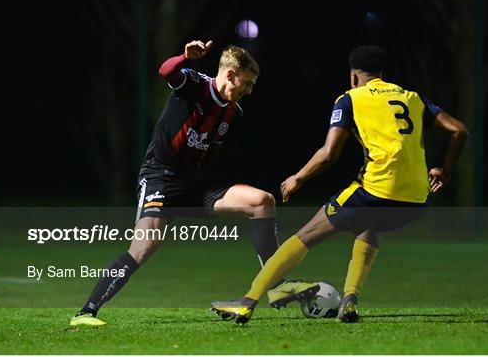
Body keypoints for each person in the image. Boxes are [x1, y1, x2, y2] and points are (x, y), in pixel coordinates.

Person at [211, 45, 468, 324]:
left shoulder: (350, 98)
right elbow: (459, 130)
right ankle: (350, 301)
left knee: (305, 235)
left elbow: (329, 154)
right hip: (417, 198)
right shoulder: (412, 98)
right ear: (381, 73)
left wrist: (299, 177)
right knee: (370, 226)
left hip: (375, 191)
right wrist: (446, 171)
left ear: (354, 76)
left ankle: (247, 302)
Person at [70, 40, 316, 326]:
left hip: (196, 184)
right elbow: (166, 71)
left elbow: (209, 150)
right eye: (247, 83)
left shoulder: (233, 113)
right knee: (143, 247)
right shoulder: (197, 85)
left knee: (262, 201)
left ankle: (275, 285)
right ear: (230, 74)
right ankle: (86, 313)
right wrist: (185, 57)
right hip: (161, 177)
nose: (250, 91)